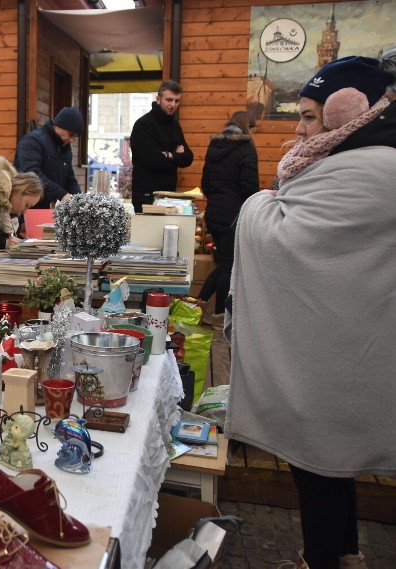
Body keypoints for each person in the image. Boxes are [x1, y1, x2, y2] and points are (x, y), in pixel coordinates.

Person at [225, 56, 395, 569]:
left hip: (332, 356)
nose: (298, 129)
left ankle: (320, 561)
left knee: (317, 464)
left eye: (308, 116)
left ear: (349, 113)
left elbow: (287, 237)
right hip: (349, 345)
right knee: (333, 464)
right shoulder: (367, 159)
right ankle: (346, 555)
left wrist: (259, 203)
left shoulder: (367, 171)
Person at [196, 111, 259, 321]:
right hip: (233, 216)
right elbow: (250, 187)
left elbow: (205, 183)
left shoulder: (214, 146)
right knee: (229, 267)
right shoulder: (246, 147)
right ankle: (219, 318)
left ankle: (200, 302)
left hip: (213, 213)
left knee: (224, 263)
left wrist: (216, 199)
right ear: (249, 127)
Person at [129, 79, 194, 212]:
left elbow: (188, 157)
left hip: (169, 197)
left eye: (177, 101)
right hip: (146, 197)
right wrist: (176, 155)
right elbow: (154, 161)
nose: (173, 104)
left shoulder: (174, 125)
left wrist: (169, 155)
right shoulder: (143, 125)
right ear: (158, 99)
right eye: (169, 100)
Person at [14, 106, 83, 209]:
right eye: (71, 134)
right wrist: (62, 194)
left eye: (75, 136)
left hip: (51, 209)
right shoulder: (33, 141)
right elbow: (32, 173)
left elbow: (70, 178)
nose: (72, 140)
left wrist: (80, 200)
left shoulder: (65, 148)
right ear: (59, 126)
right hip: (29, 208)